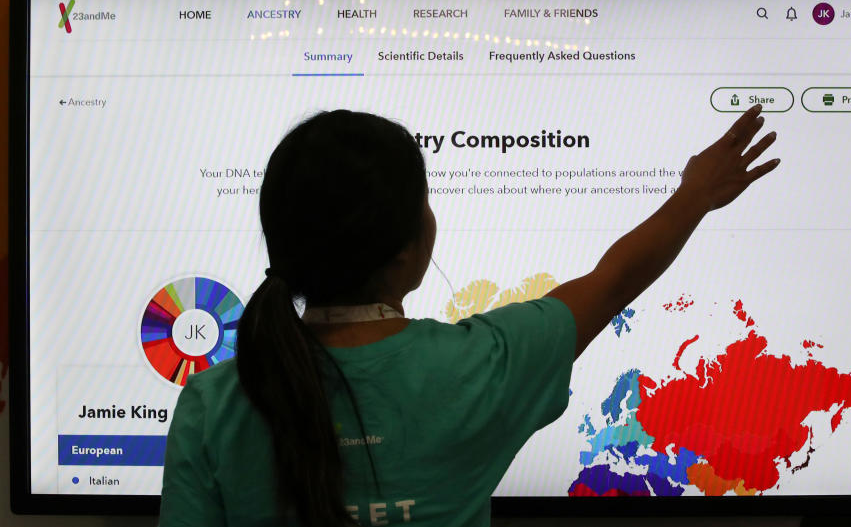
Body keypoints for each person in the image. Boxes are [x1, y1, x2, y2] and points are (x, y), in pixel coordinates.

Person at [159, 104, 778, 526]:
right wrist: (696, 194)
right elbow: (615, 278)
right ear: (408, 246)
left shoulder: (213, 403)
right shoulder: (484, 368)